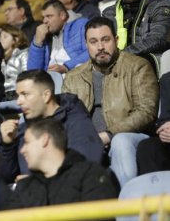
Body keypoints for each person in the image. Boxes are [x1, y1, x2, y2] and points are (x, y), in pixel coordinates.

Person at [62, 17, 159, 187]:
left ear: (116, 40)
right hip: (90, 142)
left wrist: (108, 135)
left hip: (131, 137)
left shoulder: (137, 66)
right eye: (93, 41)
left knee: (120, 141)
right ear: (86, 45)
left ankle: (125, 207)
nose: (100, 47)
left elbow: (146, 112)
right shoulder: (73, 77)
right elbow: (66, 117)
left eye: (105, 40)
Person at [0, 69, 104, 183]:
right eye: (18, 95)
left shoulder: (75, 121)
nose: (19, 102)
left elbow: (85, 166)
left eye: (25, 94)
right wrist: (7, 145)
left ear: (46, 95)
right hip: (31, 197)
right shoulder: (22, 129)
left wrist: (37, 182)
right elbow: (6, 177)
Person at [4, 118, 117, 209]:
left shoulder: (91, 175)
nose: (22, 150)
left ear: (45, 139)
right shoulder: (25, 186)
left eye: (27, 142)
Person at [102, 0, 170, 72]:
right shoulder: (109, 13)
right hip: (118, 66)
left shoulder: (160, 5)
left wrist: (122, 55)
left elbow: (157, 39)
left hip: (149, 64)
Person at [27, 0, 89, 74]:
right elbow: (33, 72)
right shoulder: (44, 36)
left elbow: (92, 52)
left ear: (62, 15)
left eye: (49, 16)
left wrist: (67, 67)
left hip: (75, 76)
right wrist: (37, 43)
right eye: (43, 17)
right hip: (50, 81)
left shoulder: (81, 25)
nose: (44, 21)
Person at [137, 71, 170, 174]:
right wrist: (166, 130)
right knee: (148, 147)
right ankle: (155, 189)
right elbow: (165, 117)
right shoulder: (167, 79)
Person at [0, 24, 28, 101]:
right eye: (0, 37)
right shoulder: (0, 59)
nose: (1, 40)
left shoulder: (23, 54)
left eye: (5, 37)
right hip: (3, 94)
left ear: (16, 39)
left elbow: (27, 75)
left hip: (17, 93)